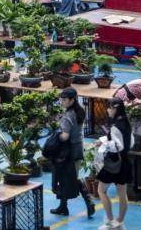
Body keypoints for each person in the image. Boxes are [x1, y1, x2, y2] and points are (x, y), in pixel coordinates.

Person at [51, 88, 95, 217]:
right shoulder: (79, 111)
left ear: (72, 100)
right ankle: (64, 207)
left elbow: (65, 136)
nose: (61, 101)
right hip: (77, 148)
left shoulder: (68, 116)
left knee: (66, 178)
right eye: (61, 99)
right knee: (69, 178)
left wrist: (55, 136)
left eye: (64, 99)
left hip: (68, 152)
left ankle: (87, 201)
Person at [95, 97, 132, 230]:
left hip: (113, 162)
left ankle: (110, 221)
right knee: (122, 194)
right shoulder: (126, 123)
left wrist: (103, 142)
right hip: (125, 161)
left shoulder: (115, 126)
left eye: (109, 107)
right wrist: (107, 139)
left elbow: (117, 146)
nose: (107, 110)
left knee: (101, 190)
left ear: (115, 109)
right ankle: (120, 222)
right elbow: (129, 143)